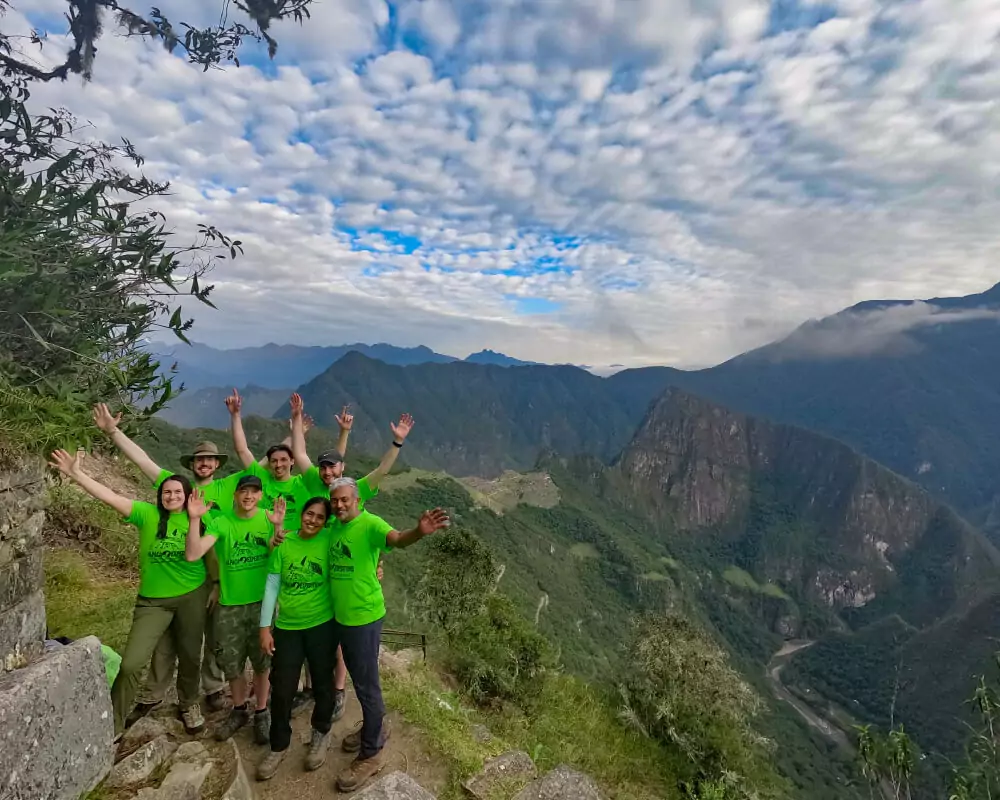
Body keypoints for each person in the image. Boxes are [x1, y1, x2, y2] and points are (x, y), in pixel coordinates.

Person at [49, 448, 210, 736]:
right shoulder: (146, 514)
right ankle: (114, 724)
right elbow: (109, 496)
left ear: (187, 495)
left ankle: (188, 703)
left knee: (189, 655)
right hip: (153, 601)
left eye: (177, 492)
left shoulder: (199, 518)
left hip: (192, 595)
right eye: (166, 492)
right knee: (132, 663)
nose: (171, 496)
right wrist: (76, 473)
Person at [93, 403, 236, 719]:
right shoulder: (172, 487)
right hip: (167, 588)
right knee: (165, 645)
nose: (205, 464)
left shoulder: (224, 491)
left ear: (217, 465)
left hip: (205, 581)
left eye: (210, 459)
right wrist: (113, 431)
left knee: (201, 644)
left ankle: (205, 693)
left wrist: (216, 583)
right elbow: (142, 459)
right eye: (199, 460)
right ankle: (155, 694)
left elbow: (262, 469)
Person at [288, 394, 413, 719]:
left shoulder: (354, 489)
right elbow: (299, 453)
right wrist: (298, 418)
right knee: (321, 636)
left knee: (342, 640)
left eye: (333, 467)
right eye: (324, 467)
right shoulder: (315, 482)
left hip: (347, 575)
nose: (328, 472)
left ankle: (339, 690)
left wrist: (396, 442)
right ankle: (318, 688)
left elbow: (381, 470)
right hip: (318, 574)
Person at [326, 477, 450, 792]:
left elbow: (395, 539)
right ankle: (374, 727)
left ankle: (372, 753)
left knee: (367, 685)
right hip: (342, 617)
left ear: (357, 500)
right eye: (335, 500)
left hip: (364, 618)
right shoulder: (334, 528)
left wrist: (418, 533)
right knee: (361, 678)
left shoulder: (370, 523)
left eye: (344, 500)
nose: (339, 504)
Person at [186, 477, 286, 745]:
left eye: (254, 491)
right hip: (229, 605)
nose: (249, 495)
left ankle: (262, 710)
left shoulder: (269, 518)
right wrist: (195, 519)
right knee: (232, 663)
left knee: (263, 661)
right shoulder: (222, 522)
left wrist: (278, 527)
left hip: (261, 604)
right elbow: (194, 554)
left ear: (261, 495)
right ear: (235, 495)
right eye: (244, 491)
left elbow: (278, 552)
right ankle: (240, 709)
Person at [256, 497, 339, 781]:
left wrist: (378, 567)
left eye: (319, 517)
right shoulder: (285, 543)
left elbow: (361, 548)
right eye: (309, 514)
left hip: (322, 625)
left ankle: (321, 733)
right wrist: (265, 628)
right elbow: (271, 585)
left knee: (323, 684)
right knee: (282, 688)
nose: (313, 520)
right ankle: (278, 745)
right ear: (301, 515)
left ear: (326, 521)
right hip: (288, 626)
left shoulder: (330, 540)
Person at [226, 389, 347, 533]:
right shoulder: (261, 478)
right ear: (269, 463)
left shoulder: (304, 483)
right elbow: (242, 450)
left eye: (284, 460)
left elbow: (335, 460)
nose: (279, 464)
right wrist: (235, 415)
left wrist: (297, 418)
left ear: (292, 462)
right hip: (265, 544)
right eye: (274, 461)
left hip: (295, 544)